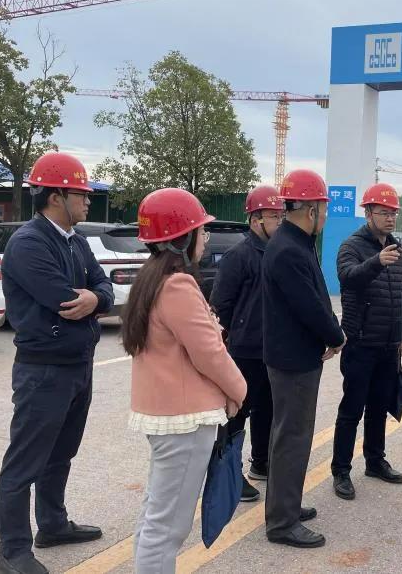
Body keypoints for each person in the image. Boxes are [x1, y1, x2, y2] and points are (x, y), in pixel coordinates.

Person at [0, 152, 114, 574]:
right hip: (44, 369)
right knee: (25, 461)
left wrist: (96, 298)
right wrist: (92, 299)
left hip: (77, 363)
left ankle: (52, 524)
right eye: (81, 194)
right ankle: (12, 552)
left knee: (61, 452)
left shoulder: (76, 241)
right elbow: (61, 299)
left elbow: (104, 286)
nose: (88, 200)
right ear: (55, 196)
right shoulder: (29, 243)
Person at [124, 188, 247, 572]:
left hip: (168, 417)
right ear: (181, 238)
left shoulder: (152, 279)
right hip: (185, 420)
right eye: (201, 230)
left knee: (156, 516)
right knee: (167, 528)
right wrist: (240, 390)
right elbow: (209, 353)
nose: (205, 238)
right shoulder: (177, 285)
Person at [261, 169, 346, 548]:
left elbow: (317, 296)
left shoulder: (294, 242)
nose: (324, 216)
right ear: (311, 210)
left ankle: (286, 506)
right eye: (323, 209)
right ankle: (282, 522)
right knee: (291, 439)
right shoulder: (289, 250)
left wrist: (331, 330)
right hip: (292, 360)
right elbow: (309, 305)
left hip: (295, 356)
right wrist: (336, 336)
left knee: (290, 435)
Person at [332, 183, 402, 500]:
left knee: (379, 407)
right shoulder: (351, 246)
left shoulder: (396, 247)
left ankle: (375, 461)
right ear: (367, 213)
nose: (390, 218)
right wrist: (376, 261)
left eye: (393, 213)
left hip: (388, 345)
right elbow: (348, 278)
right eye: (383, 212)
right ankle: (341, 470)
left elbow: (400, 295)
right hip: (361, 343)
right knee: (352, 409)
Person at [210, 184, 282, 503]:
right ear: (255, 220)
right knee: (237, 414)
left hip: (273, 349)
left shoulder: (279, 254)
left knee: (268, 409)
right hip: (243, 350)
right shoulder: (238, 256)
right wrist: (231, 337)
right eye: (273, 216)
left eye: (281, 215)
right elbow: (221, 304)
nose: (279, 221)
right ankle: (230, 474)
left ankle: (262, 462)